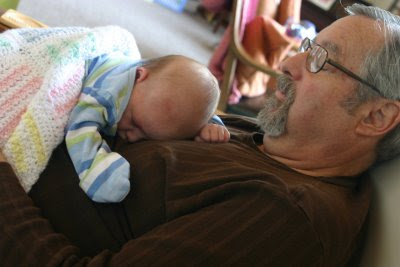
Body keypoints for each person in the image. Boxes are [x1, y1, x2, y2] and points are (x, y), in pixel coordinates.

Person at [1, 3, 400, 266]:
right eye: (307, 46)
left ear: (377, 116)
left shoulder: (284, 217)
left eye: (321, 61)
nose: (290, 62)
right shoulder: (266, 137)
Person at [65, 54, 230, 203]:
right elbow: (78, 128)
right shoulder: (105, 95)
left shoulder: (149, 95)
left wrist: (209, 125)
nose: (132, 137)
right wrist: (100, 173)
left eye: (147, 136)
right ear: (139, 75)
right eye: (134, 121)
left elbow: (192, 109)